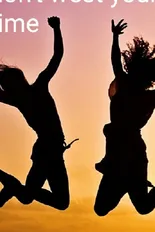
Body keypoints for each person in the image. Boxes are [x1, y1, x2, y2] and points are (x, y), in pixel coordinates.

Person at [0, 16, 78, 210]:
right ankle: (8, 183)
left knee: (41, 198)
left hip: (50, 150)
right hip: (47, 151)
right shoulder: (34, 90)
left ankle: (10, 185)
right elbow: (57, 56)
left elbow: (57, 57)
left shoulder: (26, 95)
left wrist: (57, 29)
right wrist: (57, 28)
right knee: (55, 201)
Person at [94, 19, 155, 216]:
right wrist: (114, 38)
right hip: (118, 154)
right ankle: (127, 182)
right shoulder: (125, 84)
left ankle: (129, 181)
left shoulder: (147, 95)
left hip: (131, 153)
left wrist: (114, 37)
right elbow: (115, 62)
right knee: (101, 209)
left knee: (143, 207)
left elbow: (115, 63)